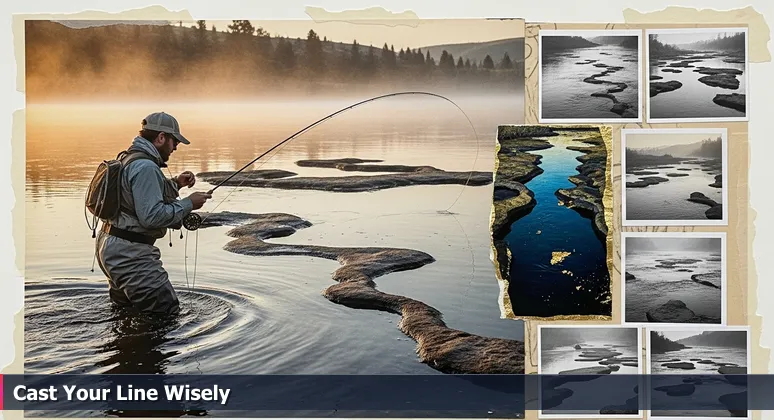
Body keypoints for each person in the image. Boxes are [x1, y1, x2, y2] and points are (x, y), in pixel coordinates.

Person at [95, 112, 211, 314]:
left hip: (110, 246)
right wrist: (188, 204)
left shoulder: (128, 157)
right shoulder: (146, 166)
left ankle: (125, 345)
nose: (176, 147)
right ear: (161, 138)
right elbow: (151, 217)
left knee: (126, 313)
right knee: (165, 312)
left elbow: (134, 197)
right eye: (175, 141)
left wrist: (175, 184)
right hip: (131, 255)